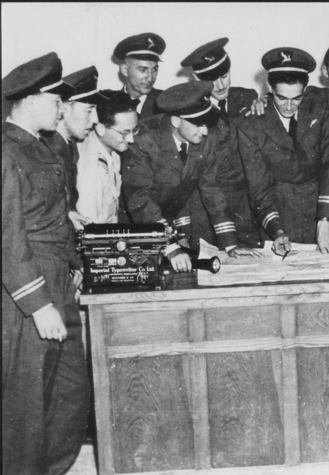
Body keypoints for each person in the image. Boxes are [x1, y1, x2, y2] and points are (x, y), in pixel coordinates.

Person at [2, 52, 89, 475]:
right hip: (27, 284)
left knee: (69, 392)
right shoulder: (6, 151)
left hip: (57, 275)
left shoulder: (41, 146)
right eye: (57, 102)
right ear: (34, 100)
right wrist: (37, 304)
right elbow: (7, 235)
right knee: (27, 399)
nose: (62, 111)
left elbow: (56, 216)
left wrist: (75, 265)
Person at [122, 81, 262, 272]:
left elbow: (212, 189)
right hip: (136, 225)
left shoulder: (204, 138)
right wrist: (170, 246)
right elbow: (140, 199)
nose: (204, 131)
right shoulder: (143, 140)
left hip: (167, 222)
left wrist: (231, 244)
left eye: (207, 124)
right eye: (198, 124)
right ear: (176, 121)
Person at [237, 47, 329, 255]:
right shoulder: (251, 124)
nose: (289, 106)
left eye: (297, 98)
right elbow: (258, 187)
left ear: (306, 89)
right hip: (277, 210)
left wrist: (325, 219)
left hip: (320, 206)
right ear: (269, 87)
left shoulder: (322, 103)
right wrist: (276, 230)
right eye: (281, 98)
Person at [181, 37, 262, 249]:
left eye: (225, 76)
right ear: (195, 78)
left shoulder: (248, 98)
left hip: (243, 205)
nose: (221, 85)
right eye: (211, 80)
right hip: (204, 207)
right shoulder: (188, 110)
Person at [43, 66, 107, 230]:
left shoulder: (68, 144)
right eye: (89, 110)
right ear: (64, 108)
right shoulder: (48, 150)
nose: (95, 119)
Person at [74, 90, 139, 225]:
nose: (131, 139)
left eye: (134, 130)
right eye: (124, 133)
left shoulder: (111, 149)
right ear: (101, 128)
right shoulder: (92, 169)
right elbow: (89, 227)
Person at [112, 32, 166, 120]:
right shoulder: (109, 104)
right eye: (143, 70)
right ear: (125, 70)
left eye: (154, 69)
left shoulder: (165, 103)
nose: (150, 78)